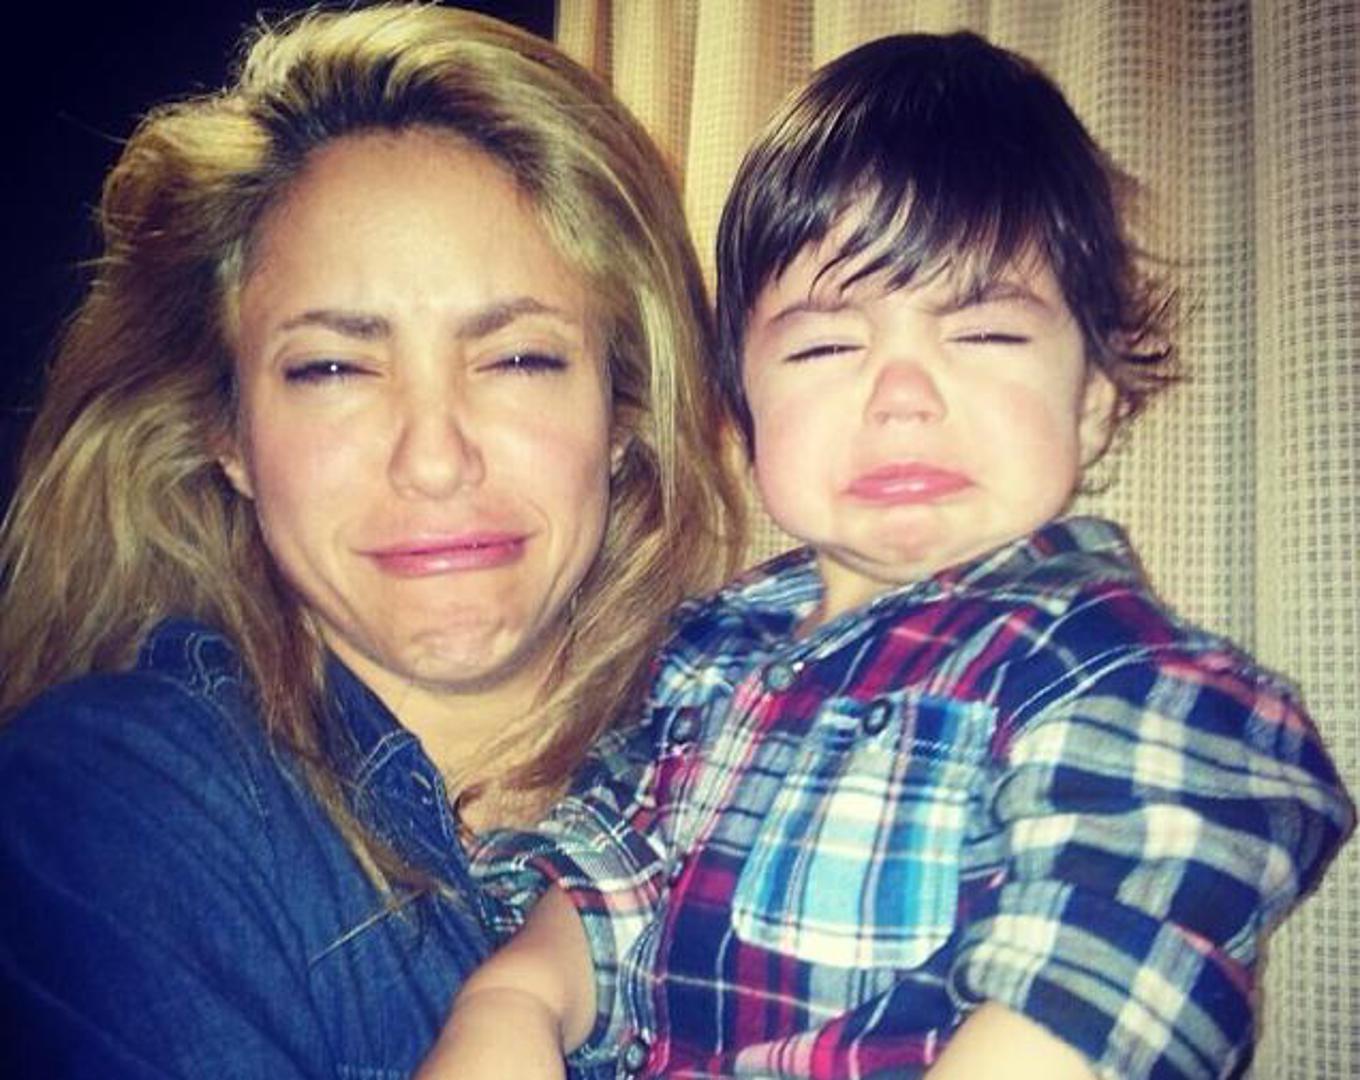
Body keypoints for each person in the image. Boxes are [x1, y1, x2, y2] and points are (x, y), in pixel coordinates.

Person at [425, 31, 1355, 1080]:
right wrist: (511, 1001)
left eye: (984, 335)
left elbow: (1102, 986)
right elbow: (609, 880)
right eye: (826, 345)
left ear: (1094, 402)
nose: (901, 396)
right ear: (743, 414)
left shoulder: (1134, 690)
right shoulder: (701, 655)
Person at [0, 5, 743, 1078]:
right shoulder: (115, 808)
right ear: (226, 431)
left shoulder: (780, 737)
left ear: (626, 410)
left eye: (519, 358)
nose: (434, 460)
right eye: (334, 368)